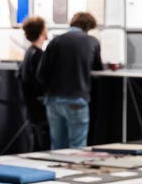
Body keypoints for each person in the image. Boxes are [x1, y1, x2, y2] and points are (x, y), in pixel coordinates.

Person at [37, 11, 102, 149]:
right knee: (77, 147)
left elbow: (42, 73)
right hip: (76, 98)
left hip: (53, 99)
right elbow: (97, 68)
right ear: (88, 27)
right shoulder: (92, 42)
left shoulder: (55, 41)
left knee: (57, 145)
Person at [19, 15, 49, 151]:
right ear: (41, 31)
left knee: (36, 137)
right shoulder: (38, 55)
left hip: (30, 102)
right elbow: (40, 79)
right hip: (39, 102)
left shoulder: (29, 53)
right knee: (41, 139)